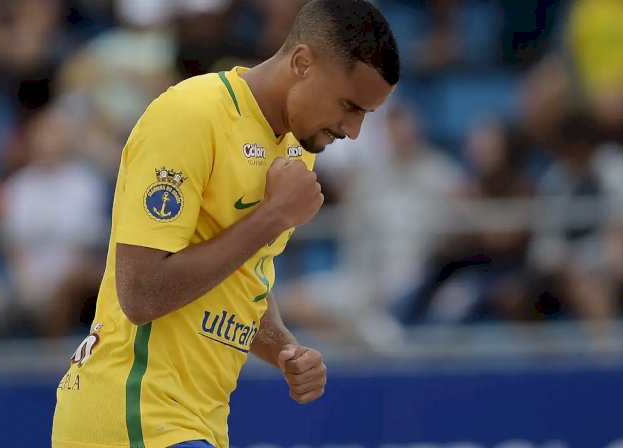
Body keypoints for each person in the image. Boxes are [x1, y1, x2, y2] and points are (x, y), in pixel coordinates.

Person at [51, 1, 399, 447]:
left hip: (196, 422)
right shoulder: (190, 115)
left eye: (365, 115)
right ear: (302, 63)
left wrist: (284, 348)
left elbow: (242, 280)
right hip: (132, 410)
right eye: (350, 107)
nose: (353, 130)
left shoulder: (297, 148)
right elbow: (140, 293)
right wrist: (272, 216)